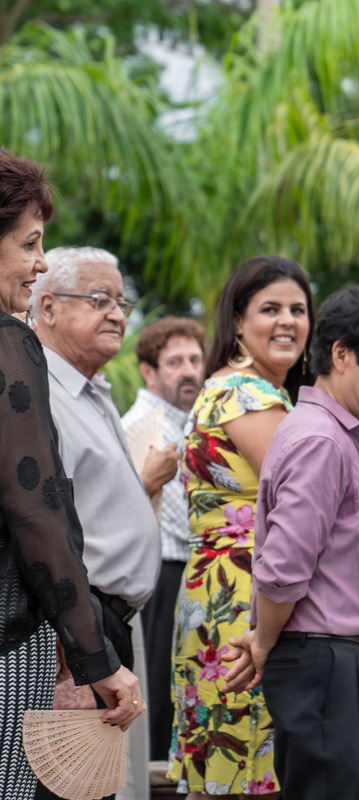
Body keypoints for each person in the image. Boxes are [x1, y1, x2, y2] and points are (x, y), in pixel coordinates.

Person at [221, 285, 359, 800]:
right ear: (342, 354)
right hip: (330, 662)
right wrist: (262, 642)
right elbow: (283, 567)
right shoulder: (320, 440)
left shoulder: (333, 433)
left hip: (337, 661)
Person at [0, 149, 142, 800]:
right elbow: (37, 508)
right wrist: (93, 657)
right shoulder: (10, 343)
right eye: (30, 244)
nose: (37, 262)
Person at [166, 256, 313, 798]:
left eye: (298, 310)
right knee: (252, 759)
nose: (288, 322)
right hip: (244, 596)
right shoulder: (246, 394)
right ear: (237, 320)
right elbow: (309, 500)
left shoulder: (232, 388)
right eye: (270, 309)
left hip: (222, 588)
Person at [31, 245, 166, 800]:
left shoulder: (91, 390)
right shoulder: (39, 394)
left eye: (121, 301)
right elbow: (40, 531)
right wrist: (70, 667)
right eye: (98, 299)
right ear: (47, 309)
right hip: (72, 632)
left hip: (105, 626)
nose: (117, 312)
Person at [121, 317, 206, 762]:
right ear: (149, 372)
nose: (188, 370)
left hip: (186, 570)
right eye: (175, 362)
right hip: (162, 576)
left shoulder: (193, 420)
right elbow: (178, 521)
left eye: (194, 359)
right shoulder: (143, 427)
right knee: (160, 690)